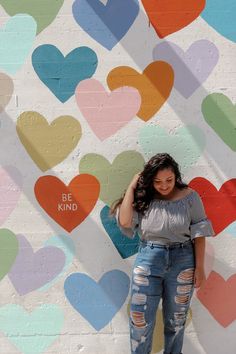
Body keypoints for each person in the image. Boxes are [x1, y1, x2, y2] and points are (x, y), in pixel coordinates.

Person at [111, 152, 214, 354]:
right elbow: (124, 222)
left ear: (176, 176)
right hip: (149, 260)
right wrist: (133, 186)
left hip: (183, 261)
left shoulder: (190, 197)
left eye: (169, 180)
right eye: (157, 181)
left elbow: (199, 235)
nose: (164, 185)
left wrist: (199, 268)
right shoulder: (144, 197)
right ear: (150, 180)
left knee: (175, 322)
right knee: (141, 322)